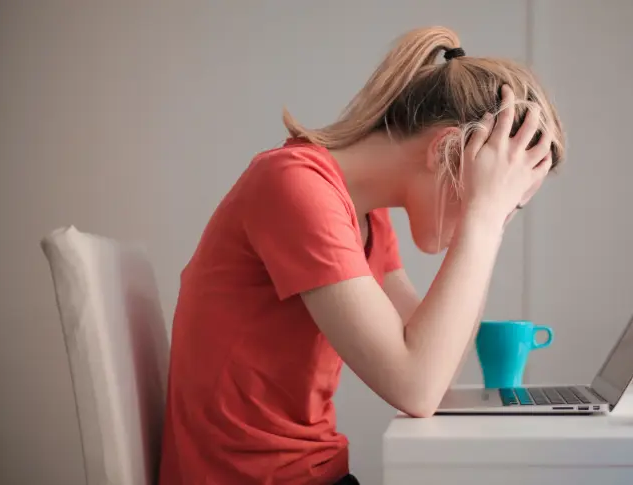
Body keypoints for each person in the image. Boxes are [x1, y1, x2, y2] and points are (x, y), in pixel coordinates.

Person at [158, 25, 565, 485]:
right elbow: (416, 386)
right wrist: (484, 219)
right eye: (502, 197)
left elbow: (435, 360)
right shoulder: (295, 186)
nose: (498, 214)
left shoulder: (365, 217)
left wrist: (486, 217)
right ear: (445, 150)